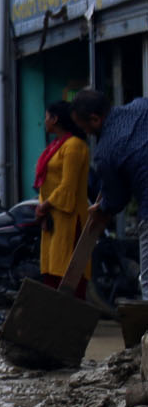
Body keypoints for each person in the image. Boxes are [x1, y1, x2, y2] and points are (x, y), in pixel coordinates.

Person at [74, 88, 148, 296]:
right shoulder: (142, 105)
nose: (87, 134)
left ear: (95, 119)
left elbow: (117, 198)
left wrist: (103, 208)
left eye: (85, 128)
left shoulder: (105, 151)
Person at [34, 99, 91, 294]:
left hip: (69, 216)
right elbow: (46, 183)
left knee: (69, 270)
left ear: (55, 119)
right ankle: (54, 320)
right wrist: (43, 208)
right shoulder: (57, 145)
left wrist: (45, 205)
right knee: (52, 269)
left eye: (47, 117)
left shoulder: (74, 146)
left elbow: (68, 185)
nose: (45, 121)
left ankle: (70, 319)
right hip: (53, 216)